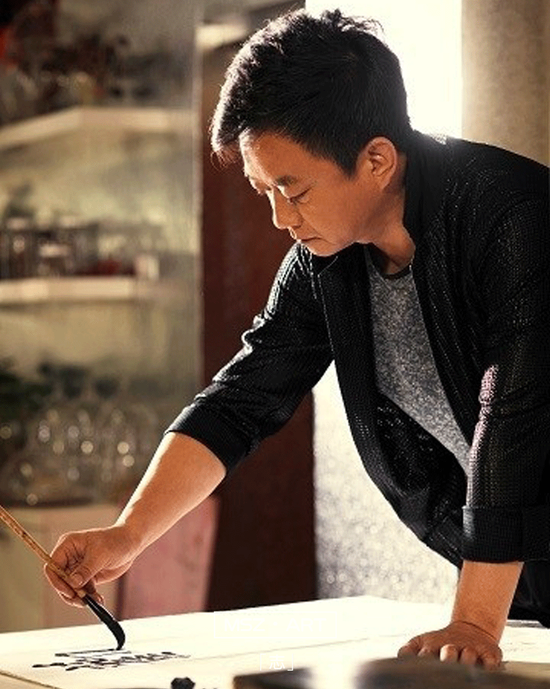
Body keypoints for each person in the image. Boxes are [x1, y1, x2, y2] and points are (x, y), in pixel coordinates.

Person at [46, 9, 550, 670]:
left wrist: (474, 619)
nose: (281, 218)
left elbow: (514, 417)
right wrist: (128, 534)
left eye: (294, 189)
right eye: (264, 190)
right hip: (528, 583)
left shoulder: (514, 218)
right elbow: (241, 400)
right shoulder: (327, 260)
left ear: (376, 159)